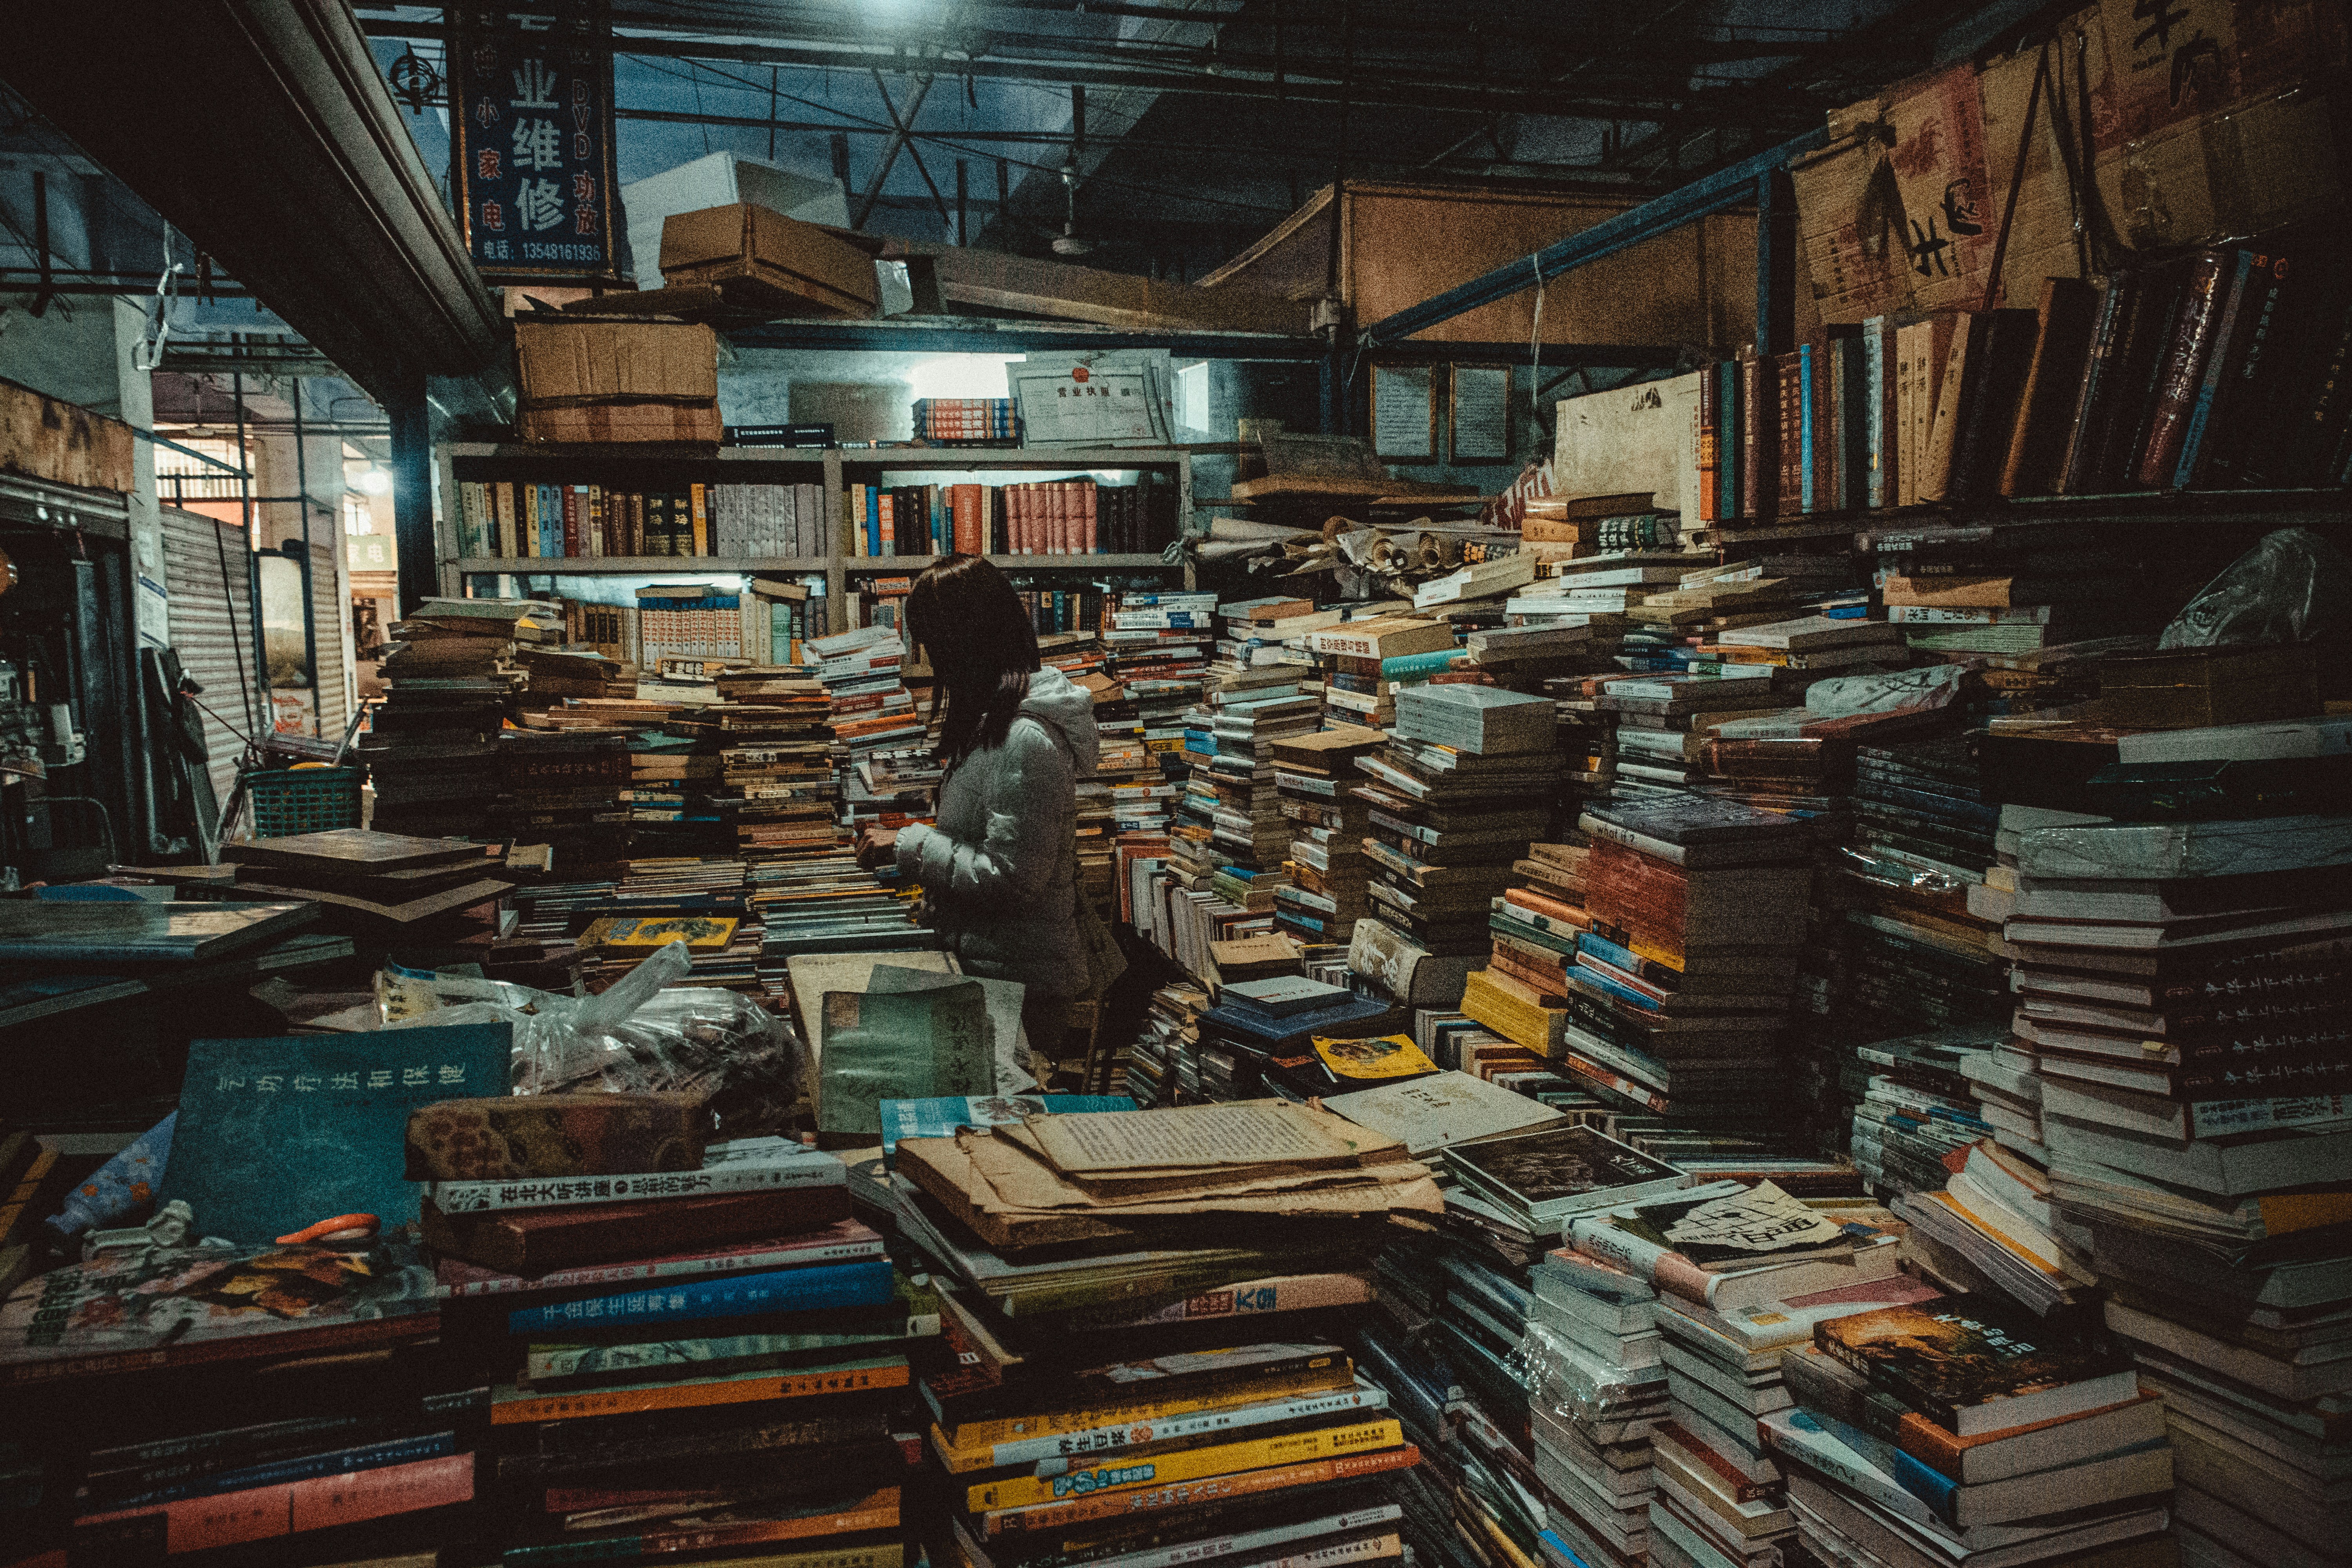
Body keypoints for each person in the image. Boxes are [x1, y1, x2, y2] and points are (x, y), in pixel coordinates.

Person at [856, 555, 1098, 1066]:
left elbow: (1012, 878)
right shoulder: (992, 726)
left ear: (966, 641)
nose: (931, 661)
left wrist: (910, 845)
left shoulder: (1026, 739)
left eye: (936, 645)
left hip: (1020, 986)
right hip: (989, 972)